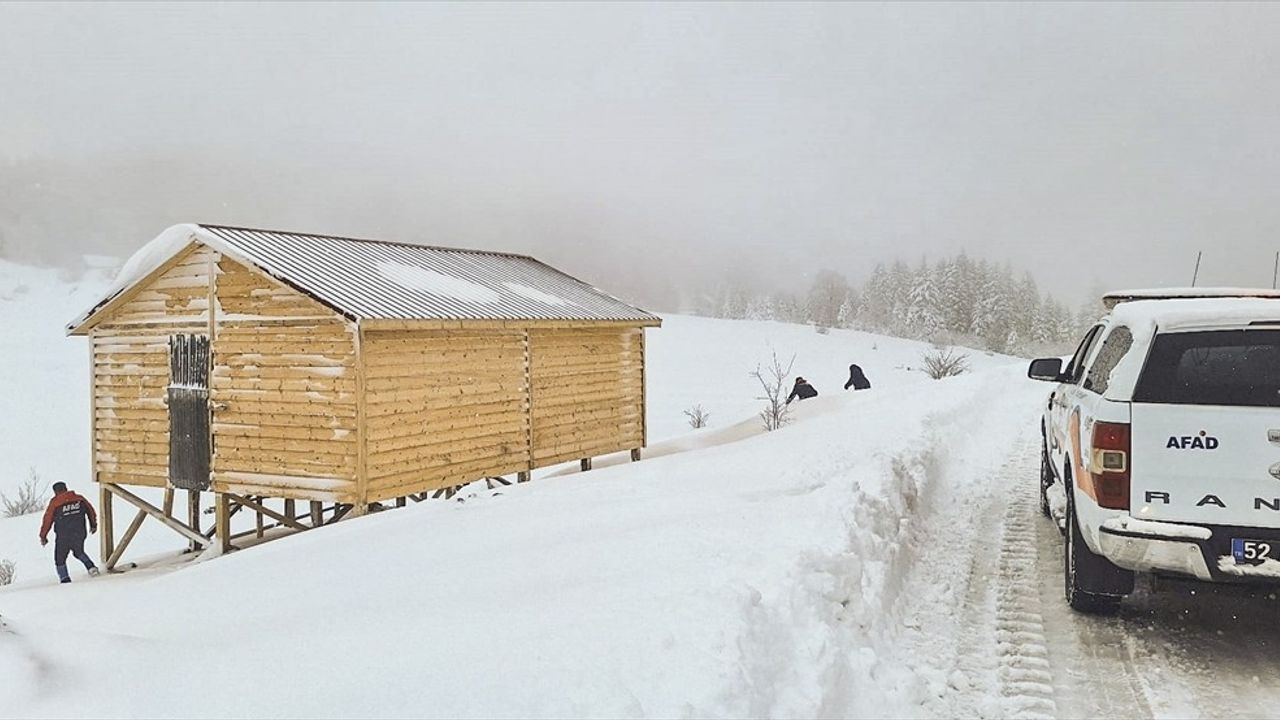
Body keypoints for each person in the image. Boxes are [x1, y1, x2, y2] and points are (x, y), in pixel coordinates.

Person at [39, 482, 100, 583]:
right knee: (79, 551)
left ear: (55, 492)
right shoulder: (80, 499)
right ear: (66, 488)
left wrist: (43, 536)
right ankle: (91, 567)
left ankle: (65, 579)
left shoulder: (55, 503)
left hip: (63, 536)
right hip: (80, 532)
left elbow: (47, 520)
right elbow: (91, 511)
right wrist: (93, 524)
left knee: (60, 558)